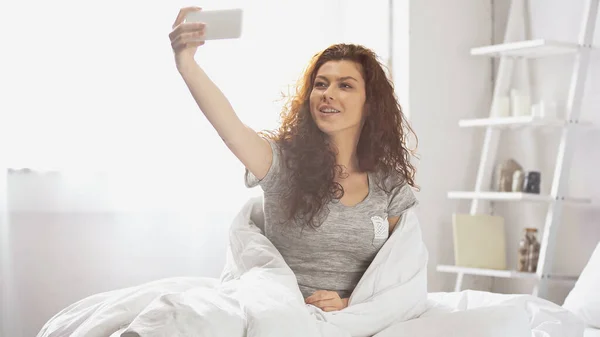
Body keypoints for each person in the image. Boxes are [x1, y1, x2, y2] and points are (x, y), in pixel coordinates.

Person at [169, 7, 419, 313]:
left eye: (345, 85)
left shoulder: (389, 184)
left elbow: (400, 276)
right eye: (321, 83)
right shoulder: (282, 164)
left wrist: (347, 303)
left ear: (370, 105)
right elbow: (231, 130)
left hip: (355, 318)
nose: (328, 93)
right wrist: (187, 65)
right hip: (279, 313)